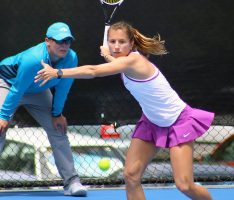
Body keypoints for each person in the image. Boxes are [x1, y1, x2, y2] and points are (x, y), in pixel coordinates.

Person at [35, 21, 214, 200]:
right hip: (151, 122)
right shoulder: (123, 62)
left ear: (132, 44)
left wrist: (58, 72)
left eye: (122, 42)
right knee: (131, 176)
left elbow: (93, 71)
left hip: (178, 121)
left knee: (184, 185)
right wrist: (108, 56)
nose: (116, 46)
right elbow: (118, 63)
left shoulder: (134, 60)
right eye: (112, 42)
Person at [0, 22, 87, 196]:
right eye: (60, 41)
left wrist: (57, 114)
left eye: (68, 41)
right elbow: (17, 89)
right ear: (47, 41)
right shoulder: (34, 59)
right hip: (8, 84)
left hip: (38, 88)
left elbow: (63, 87)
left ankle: (72, 182)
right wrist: (3, 116)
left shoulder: (71, 58)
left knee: (58, 129)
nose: (64, 45)